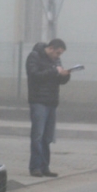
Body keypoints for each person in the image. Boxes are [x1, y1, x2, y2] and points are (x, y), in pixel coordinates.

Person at [26, 38, 70, 178]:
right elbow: (34, 75)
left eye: (60, 54)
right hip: (38, 100)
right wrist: (53, 71)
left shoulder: (56, 61)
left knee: (47, 137)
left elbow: (59, 80)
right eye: (57, 53)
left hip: (52, 101)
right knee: (37, 135)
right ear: (50, 48)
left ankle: (45, 167)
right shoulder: (35, 56)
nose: (58, 56)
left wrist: (65, 76)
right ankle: (35, 167)